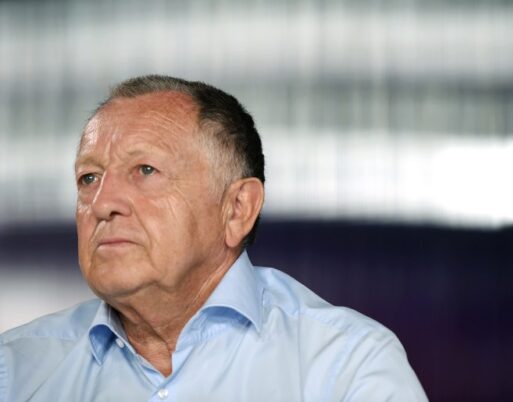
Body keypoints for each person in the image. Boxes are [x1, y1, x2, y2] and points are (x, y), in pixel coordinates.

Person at [0, 75, 427, 401]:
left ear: (237, 209)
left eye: (145, 171)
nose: (101, 203)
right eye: (88, 177)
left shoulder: (346, 367)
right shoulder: (15, 371)